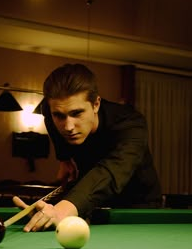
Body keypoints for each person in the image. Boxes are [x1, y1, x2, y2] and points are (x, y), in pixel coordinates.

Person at [14, 63, 161, 231]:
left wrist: (61, 210)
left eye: (77, 113)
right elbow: (50, 118)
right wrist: (64, 158)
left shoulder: (131, 124)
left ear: (96, 104)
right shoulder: (50, 111)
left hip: (137, 204)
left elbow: (111, 172)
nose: (68, 126)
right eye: (59, 115)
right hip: (88, 199)